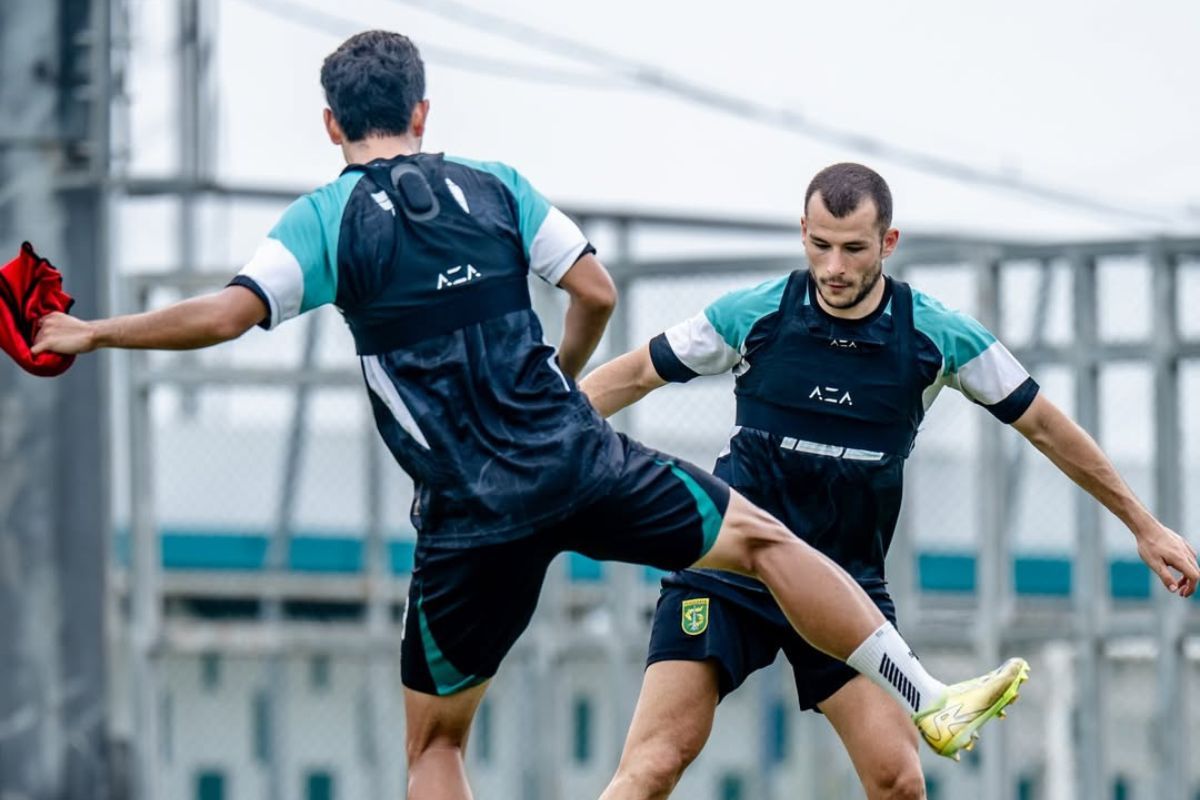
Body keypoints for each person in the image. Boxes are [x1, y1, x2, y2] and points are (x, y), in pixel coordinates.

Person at [33, 35, 1032, 800]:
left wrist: (93, 333)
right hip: (575, 456)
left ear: (331, 124)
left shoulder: (325, 220)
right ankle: (928, 693)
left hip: (470, 510)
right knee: (763, 539)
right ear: (424, 108)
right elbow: (592, 288)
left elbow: (226, 313)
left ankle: (927, 701)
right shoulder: (495, 186)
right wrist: (557, 379)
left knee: (435, 742)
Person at [580, 162, 1200, 800]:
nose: (834, 267)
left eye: (853, 248)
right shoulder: (754, 315)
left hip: (845, 589)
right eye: (820, 245)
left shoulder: (936, 335)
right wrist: (534, 434)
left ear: (888, 243)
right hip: (729, 573)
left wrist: (1144, 526)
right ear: (803, 233)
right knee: (654, 766)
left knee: (899, 782)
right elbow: (630, 376)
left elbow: (1045, 425)